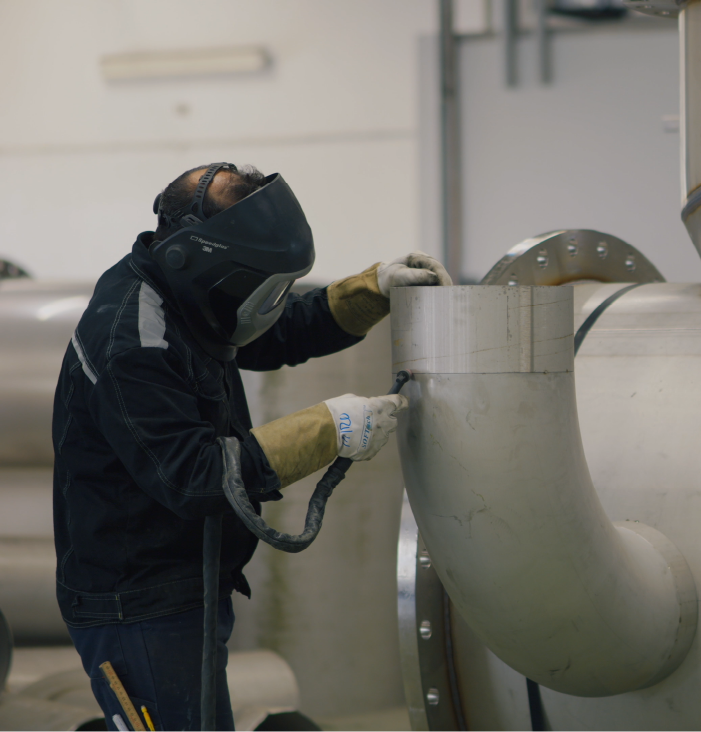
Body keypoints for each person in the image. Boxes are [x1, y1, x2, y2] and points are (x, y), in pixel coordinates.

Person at [51, 162, 448, 731]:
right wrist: (329, 428)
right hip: (137, 602)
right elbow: (195, 476)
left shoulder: (186, 291)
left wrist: (372, 290)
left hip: (186, 579)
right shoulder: (131, 338)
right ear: (202, 259)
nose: (267, 299)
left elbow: (272, 329)